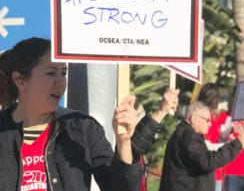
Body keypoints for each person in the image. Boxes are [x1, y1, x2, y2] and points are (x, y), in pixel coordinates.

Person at [0, 37, 156, 191]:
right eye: (51, 73)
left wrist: (124, 142)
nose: (60, 82)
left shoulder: (83, 127)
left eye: (64, 72)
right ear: (20, 80)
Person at [158, 101, 244, 191]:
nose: (210, 124)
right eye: (207, 120)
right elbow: (207, 161)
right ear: (194, 119)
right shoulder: (188, 136)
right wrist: (236, 145)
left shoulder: (185, 134)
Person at [196, 83, 225, 191]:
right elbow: (206, 145)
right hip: (210, 172)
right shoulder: (205, 118)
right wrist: (228, 145)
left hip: (215, 170)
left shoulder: (210, 116)